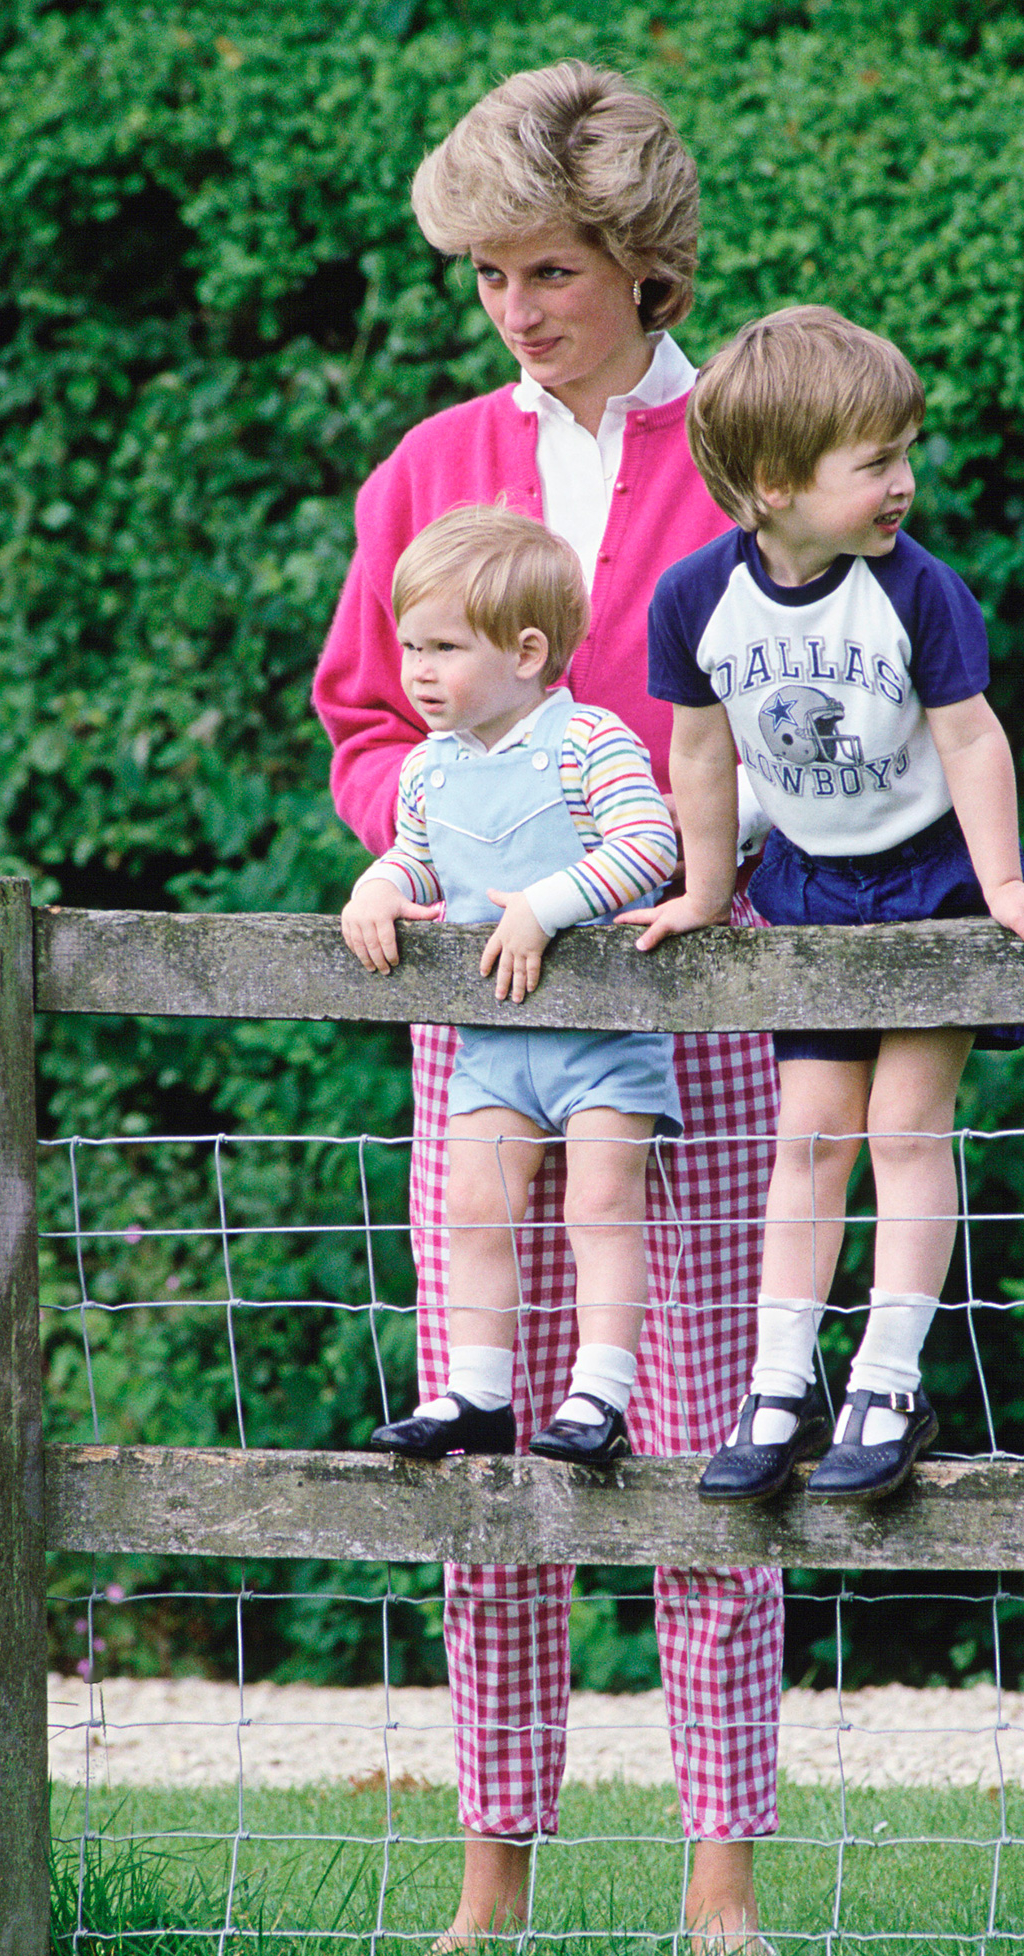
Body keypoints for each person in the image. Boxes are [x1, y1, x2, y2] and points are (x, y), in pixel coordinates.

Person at [313, 62, 782, 1956]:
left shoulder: (753, 444)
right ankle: (489, 1885)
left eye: (546, 266)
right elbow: (362, 719)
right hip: (488, 1025)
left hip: (715, 1010)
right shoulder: (430, 468)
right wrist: (422, 853)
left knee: (699, 1447)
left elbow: (843, 692)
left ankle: (719, 1892)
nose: (512, 304)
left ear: (640, 263)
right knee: (489, 1442)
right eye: (487, 271)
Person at [627, 305, 1024, 1503]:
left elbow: (971, 735)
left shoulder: (919, 591)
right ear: (774, 484)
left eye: (906, 452)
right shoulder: (695, 601)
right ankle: (779, 1380)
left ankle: (888, 1378)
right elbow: (700, 756)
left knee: (904, 1126)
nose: (906, 482)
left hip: (929, 875)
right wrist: (700, 887)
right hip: (806, 888)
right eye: (876, 462)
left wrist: (998, 881)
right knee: (807, 1139)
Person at [344, 507, 681, 1466]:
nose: (415, 670)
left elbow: (650, 846)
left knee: (599, 1208)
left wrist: (546, 903)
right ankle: (477, 1394)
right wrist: (378, 887)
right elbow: (417, 862)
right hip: (491, 1048)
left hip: (601, 1044)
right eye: (408, 645)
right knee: (473, 1209)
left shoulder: (591, 741)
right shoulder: (425, 770)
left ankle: (597, 1396)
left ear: (528, 651)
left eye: (442, 648)